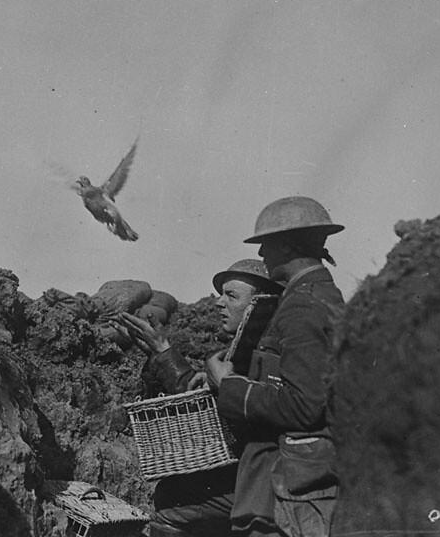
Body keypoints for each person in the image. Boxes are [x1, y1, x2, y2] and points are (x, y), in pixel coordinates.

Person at [206, 196, 346, 537]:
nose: (261, 253)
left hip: (293, 485)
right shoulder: (319, 295)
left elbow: (304, 405)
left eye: (265, 244)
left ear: (286, 244)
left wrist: (229, 385)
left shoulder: (303, 306)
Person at [112, 259, 284, 537]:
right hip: (259, 473)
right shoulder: (254, 347)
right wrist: (159, 353)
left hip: (268, 482)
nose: (218, 303)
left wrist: (164, 352)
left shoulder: (269, 354)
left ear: (259, 303)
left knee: (173, 501)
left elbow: (223, 420)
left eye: (231, 296)